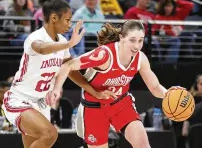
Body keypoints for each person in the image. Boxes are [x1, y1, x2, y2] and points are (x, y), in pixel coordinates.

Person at [2, 0, 115, 148]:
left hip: (41, 103)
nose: (70, 24)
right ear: (54, 18)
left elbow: (71, 70)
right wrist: (69, 44)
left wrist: (94, 91)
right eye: (68, 20)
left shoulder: (61, 41)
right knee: (50, 134)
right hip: (20, 99)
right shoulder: (35, 38)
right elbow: (41, 48)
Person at [50, 20, 185, 148]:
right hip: (94, 107)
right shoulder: (104, 55)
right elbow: (67, 65)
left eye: (140, 40)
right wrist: (56, 88)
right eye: (132, 40)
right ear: (121, 37)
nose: (137, 46)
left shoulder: (140, 58)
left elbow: (155, 87)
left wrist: (167, 93)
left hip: (120, 104)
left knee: (143, 145)